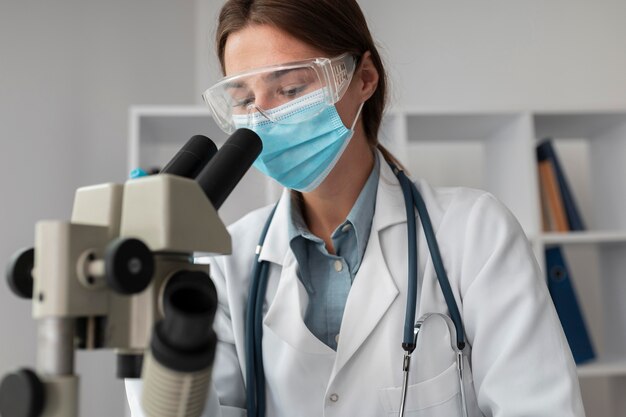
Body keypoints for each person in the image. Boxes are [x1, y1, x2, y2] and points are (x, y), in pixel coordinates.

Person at [127, 0, 585, 416]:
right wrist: (144, 311)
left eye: (289, 89)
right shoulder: (226, 260)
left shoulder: (474, 233)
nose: (263, 118)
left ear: (363, 77)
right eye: (245, 100)